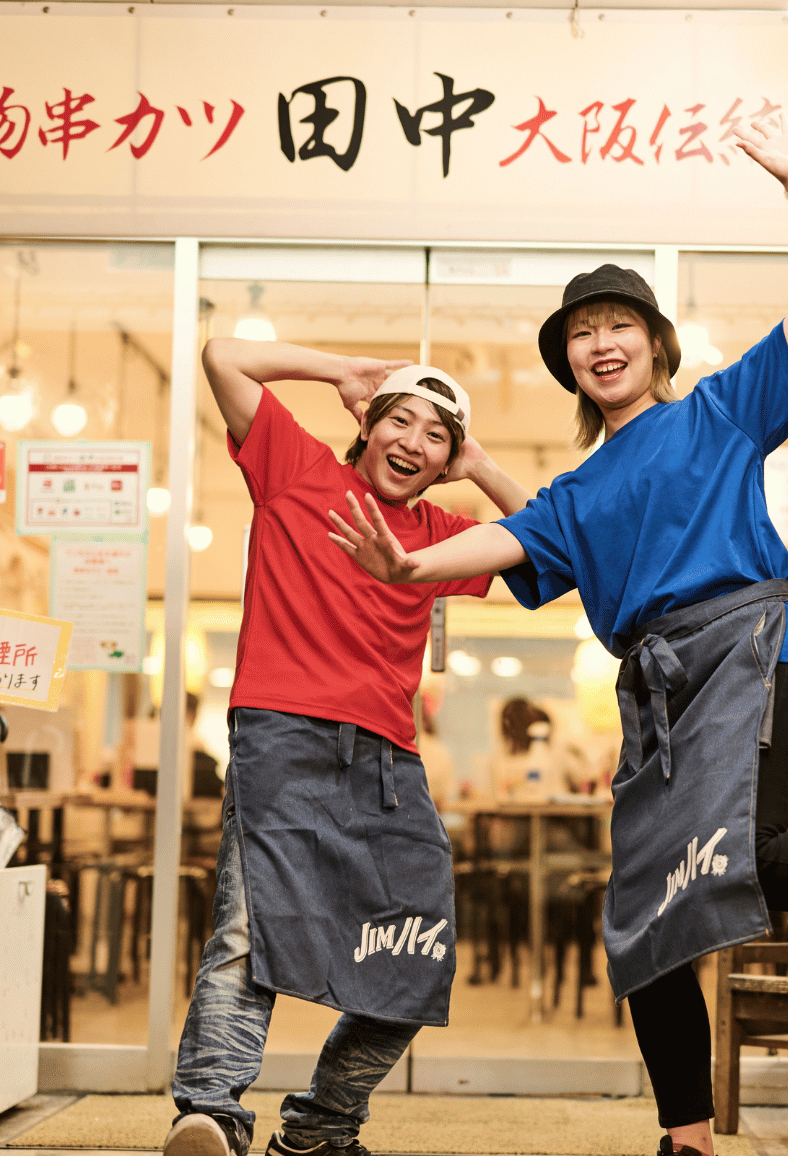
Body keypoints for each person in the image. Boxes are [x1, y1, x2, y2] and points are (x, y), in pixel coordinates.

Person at [328, 116, 788, 1156]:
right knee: (648, 913)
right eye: (581, 333)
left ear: (656, 344)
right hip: (658, 698)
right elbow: (513, 537)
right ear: (570, 365)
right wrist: (408, 564)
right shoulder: (574, 493)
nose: (600, 342)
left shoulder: (717, 412)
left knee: (740, 852)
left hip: (755, 656)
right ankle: (687, 1140)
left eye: (619, 323)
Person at [163, 339, 529, 1156]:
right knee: (248, 931)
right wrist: (337, 371)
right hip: (281, 736)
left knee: (418, 948)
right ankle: (210, 1114)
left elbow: (559, 542)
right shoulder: (296, 469)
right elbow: (223, 357)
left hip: (390, 762)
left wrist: (479, 464)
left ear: (444, 462)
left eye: (436, 436)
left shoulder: (436, 535)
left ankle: (321, 1127)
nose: (413, 442)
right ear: (366, 426)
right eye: (400, 421)